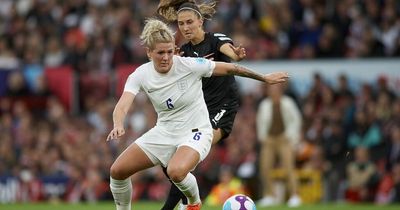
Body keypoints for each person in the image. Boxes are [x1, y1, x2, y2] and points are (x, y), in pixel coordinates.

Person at [107, 18, 289, 210]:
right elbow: (122, 105)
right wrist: (118, 124)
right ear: (149, 53)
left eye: (170, 51)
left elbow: (230, 68)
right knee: (117, 171)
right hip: (164, 132)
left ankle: (194, 203)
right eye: (160, 53)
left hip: (196, 131)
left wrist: (263, 78)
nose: (166, 57)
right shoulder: (140, 74)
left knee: (176, 171)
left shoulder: (188, 65)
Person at [157, 1, 247, 209]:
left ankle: (173, 207)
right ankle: (185, 200)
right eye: (181, 24)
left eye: (190, 22)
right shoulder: (183, 52)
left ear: (201, 21)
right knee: (170, 161)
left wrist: (236, 55)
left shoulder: (216, 40)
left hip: (222, 108)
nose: (186, 27)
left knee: (186, 160)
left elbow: (231, 53)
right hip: (197, 111)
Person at [256, 83, 302, 207]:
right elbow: (260, 122)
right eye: (271, 89)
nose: (273, 91)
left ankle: (295, 195)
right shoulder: (264, 104)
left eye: (275, 89)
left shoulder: (288, 103)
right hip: (269, 140)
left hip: (284, 139)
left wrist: (292, 137)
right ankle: (270, 195)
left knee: (289, 168)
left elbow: (296, 120)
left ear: (280, 90)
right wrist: (263, 137)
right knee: (265, 168)